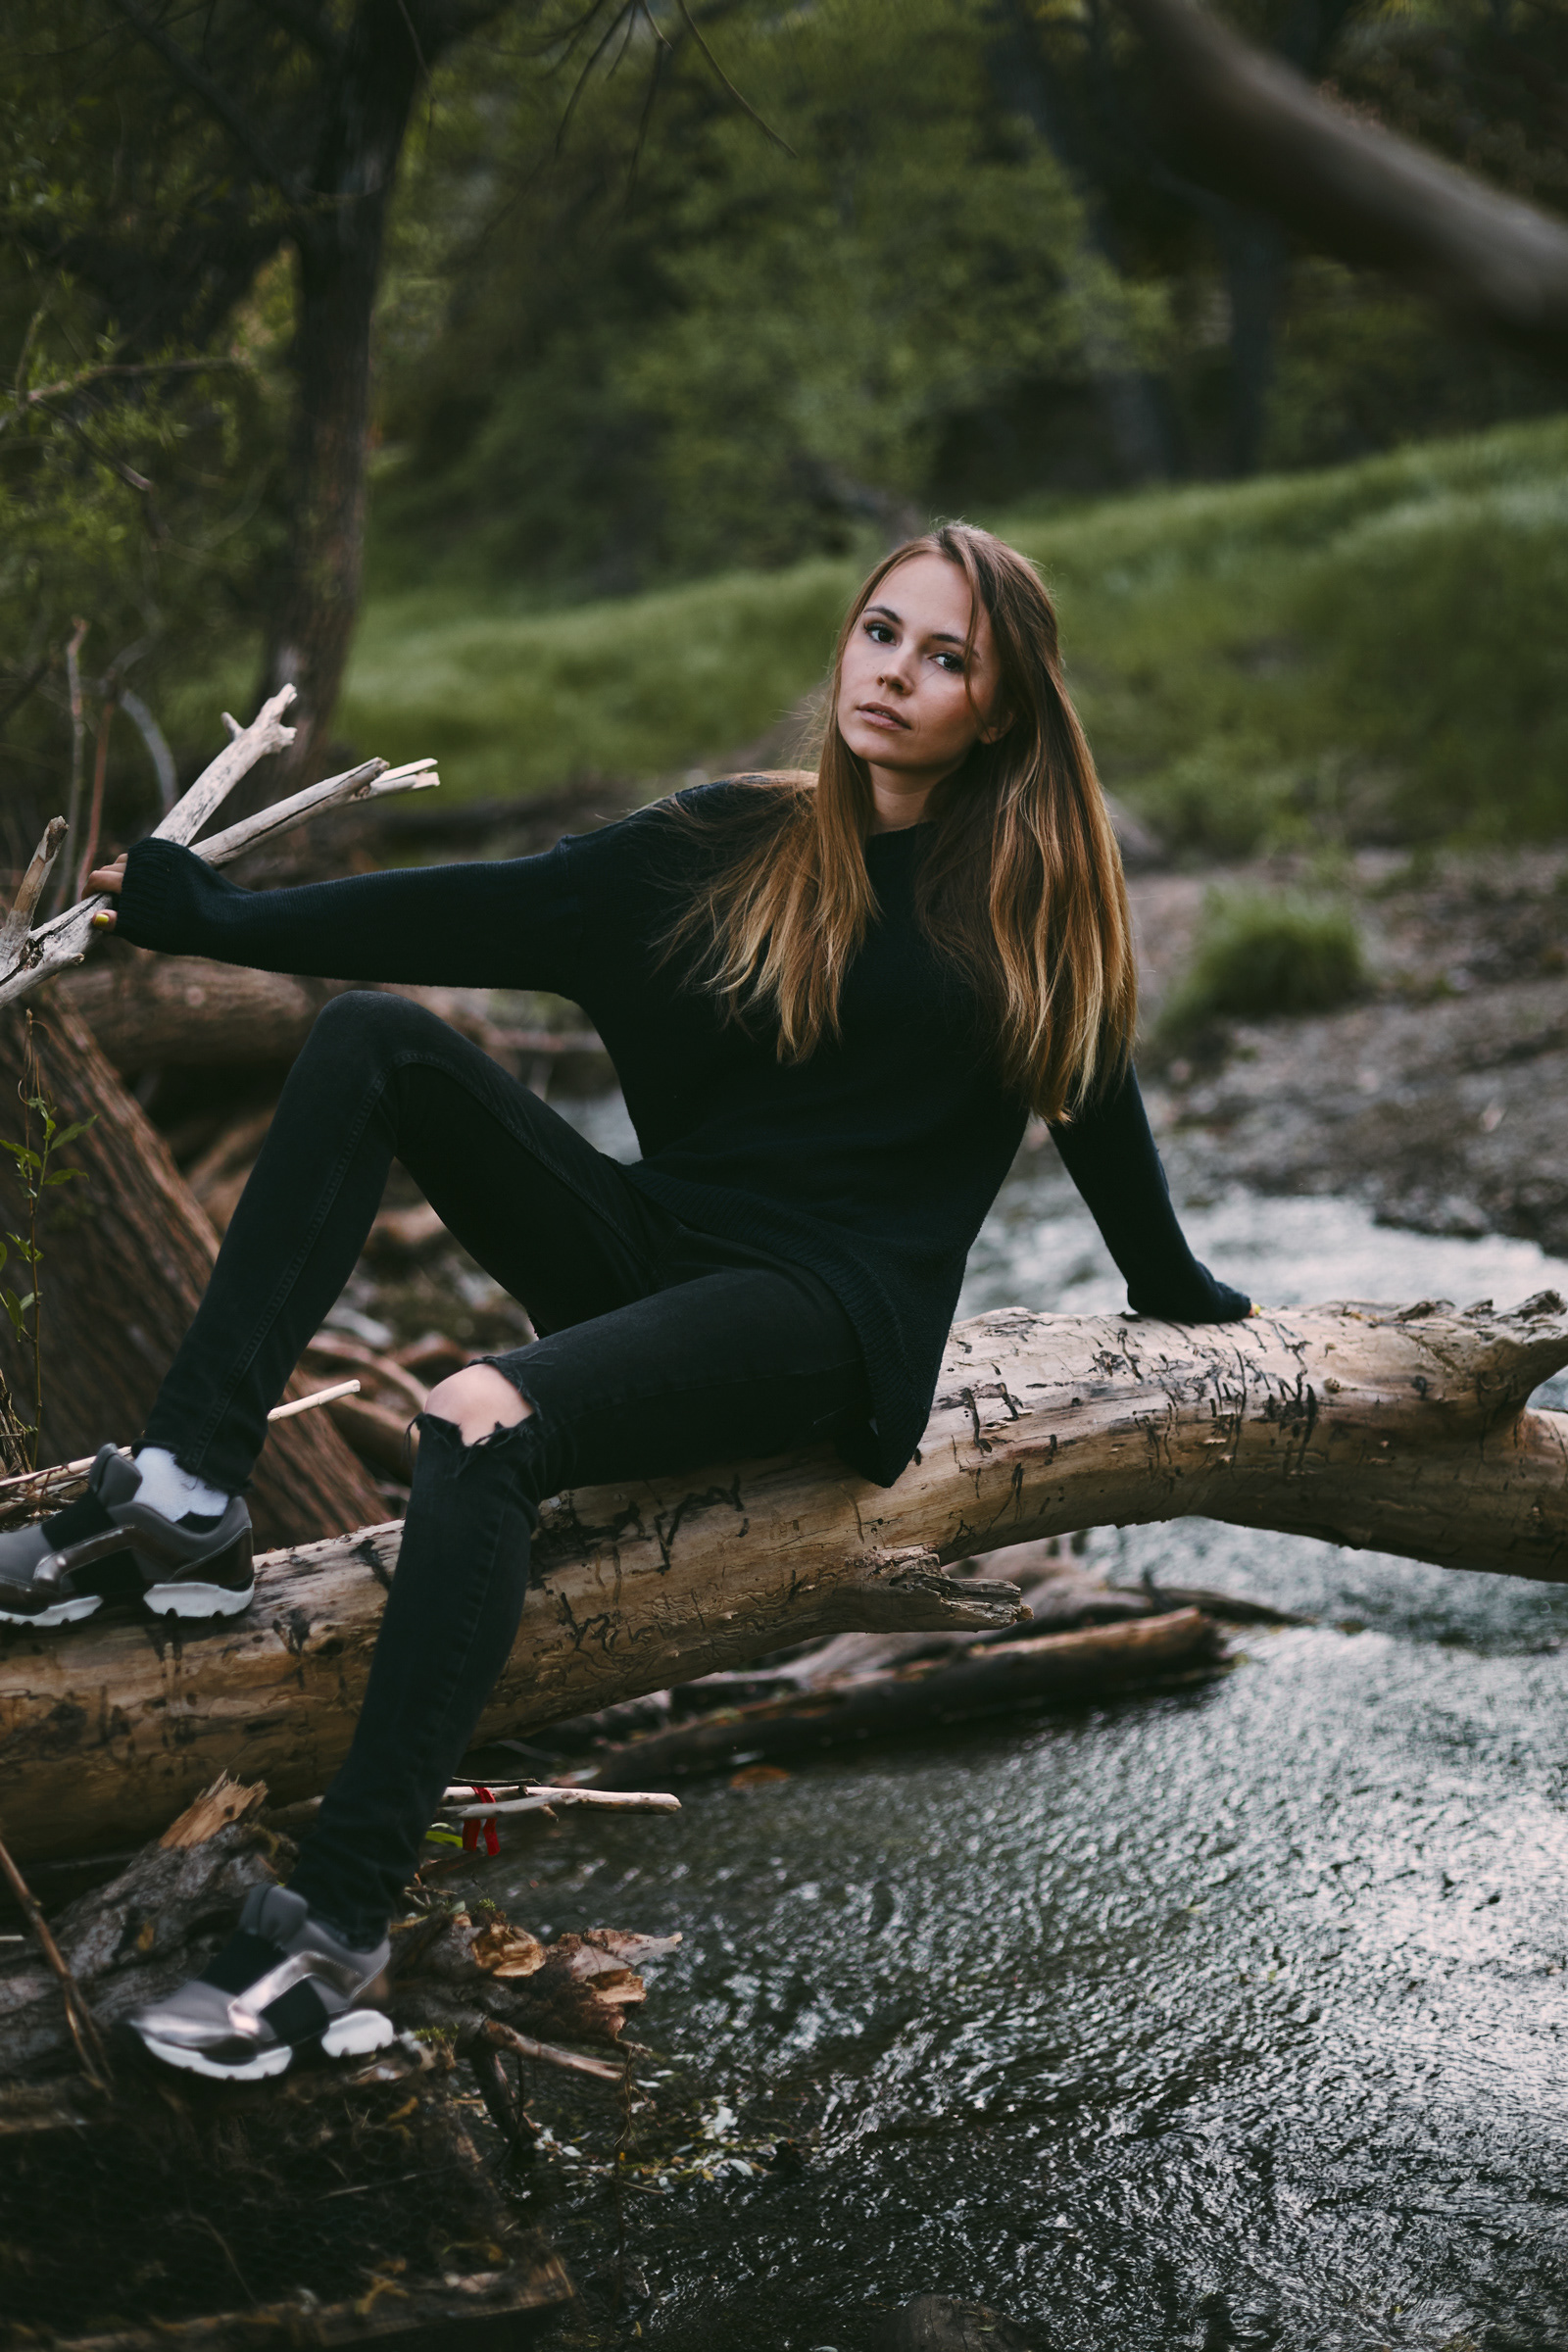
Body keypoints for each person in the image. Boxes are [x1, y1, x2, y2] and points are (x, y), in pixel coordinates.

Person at [0, 523, 1248, 2080]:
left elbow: (1095, 1093)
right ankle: (187, 1485)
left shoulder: (1025, 893)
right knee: (376, 1040)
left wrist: (1168, 1282)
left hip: (830, 1320)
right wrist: (226, 921)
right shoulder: (734, 839)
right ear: (844, 643)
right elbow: (492, 907)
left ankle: (332, 1929)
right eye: (880, 634)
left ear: (999, 710)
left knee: (475, 1414)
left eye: (948, 660)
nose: (897, 676)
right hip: (663, 1242)